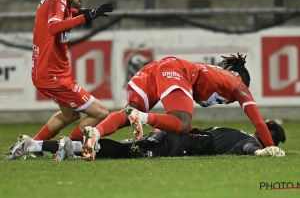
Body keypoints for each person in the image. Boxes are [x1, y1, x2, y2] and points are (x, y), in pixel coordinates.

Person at [78, 53, 280, 161]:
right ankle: (142, 117)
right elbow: (258, 120)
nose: (230, 101)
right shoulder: (237, 84)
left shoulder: (215, 73)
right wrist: (270, 146)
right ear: (241, 78)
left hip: (153, 70)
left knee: (127, 113)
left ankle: (95, 133)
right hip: (173, 69)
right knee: (181, 124)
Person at [30, 0, 113, 144]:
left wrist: (79, 12)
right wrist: (84, 17)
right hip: (53, 75)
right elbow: (53, 27)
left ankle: (31, 146)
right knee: (101, 112)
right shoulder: (58, 0)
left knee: (70, 114)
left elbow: (59, 15)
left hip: (48, 72)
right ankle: (68, 146)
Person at [4, 120, 286, 160]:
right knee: (126, 153)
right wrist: (266, 153)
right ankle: (69, 146)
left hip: (170, 135)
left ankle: (34, 145)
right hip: (173, 144)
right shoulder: (245, 141)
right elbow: (252, 150)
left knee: (126, 150)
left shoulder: (232, 130)